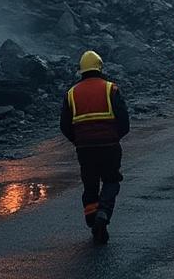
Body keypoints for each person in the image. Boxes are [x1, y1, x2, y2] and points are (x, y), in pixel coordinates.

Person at [59, 50, 130, 245]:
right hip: (109, 145)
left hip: (85, 149)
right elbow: (124, 120)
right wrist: (116, 137)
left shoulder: (71, 93)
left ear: (81, 70)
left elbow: (64, 125)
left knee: (90, 184)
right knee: (111, 180)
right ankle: (103, 213)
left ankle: (92, 220)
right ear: (100, 67)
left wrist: (78, 141)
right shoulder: (111, 89)